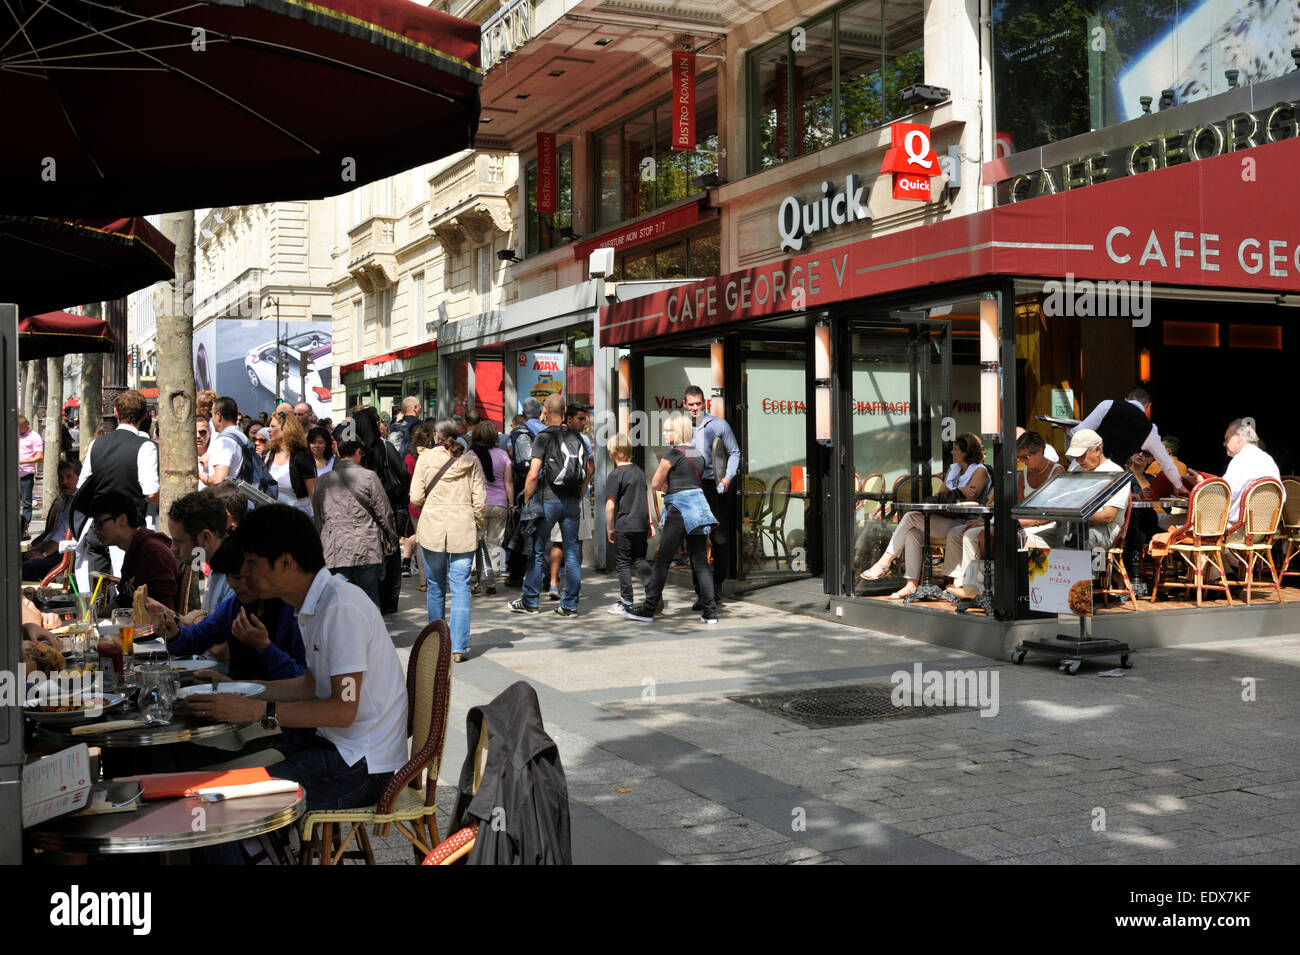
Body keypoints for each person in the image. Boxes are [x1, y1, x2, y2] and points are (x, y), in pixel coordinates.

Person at [185, 505, 408, 812]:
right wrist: (237, 689)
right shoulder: (314, 604)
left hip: (361, 765)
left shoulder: (341, 608)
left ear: (285, 563)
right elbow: (311, 685)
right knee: (209, 774)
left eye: (252, 563)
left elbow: (343, 710)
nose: (244, 574)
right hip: (336, 747)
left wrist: (254, 709)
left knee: (221, 802)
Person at [156, 537, 307, 682]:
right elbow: (201, 635)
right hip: (238, 697)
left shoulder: (292, 610)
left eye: (239, 577)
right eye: (227, 576)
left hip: (280, 704)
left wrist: (265, 647)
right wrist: (174, 634)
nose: (233, 584)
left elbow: (303, 681)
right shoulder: (236, 604)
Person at [860, 432, 991, 599]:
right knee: (912, 534)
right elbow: (942, 495)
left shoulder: (979, 471)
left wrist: (957, 492)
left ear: (966, 452)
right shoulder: (953, 469)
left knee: (910, 517)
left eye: (956, 449)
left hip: (963, 521)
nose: (952, 452)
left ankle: (885, 562)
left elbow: (970, 497)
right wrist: (958, 490)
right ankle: (911, 585)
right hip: (947, 518)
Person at [943, 429, 1062, 599]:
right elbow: (1019, 506)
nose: (1022, 461)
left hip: (1045, 523)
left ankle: (1025, 590)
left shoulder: (1057, 472)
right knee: (978, 535)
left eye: (1026, 457)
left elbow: (1054, 512)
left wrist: (1027, 522)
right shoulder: (1025, 473)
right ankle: (975, 585)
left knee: (1022, 537)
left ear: (1041, 452)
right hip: (1023, 521)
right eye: (1020, 457)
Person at [623, 412, 718, 624]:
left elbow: (656, 483)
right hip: (699, 508)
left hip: (678, 510)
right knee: (700, 562)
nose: (665, 434)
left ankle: (648, 609)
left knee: (663, 560)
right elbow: (692, 480)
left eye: (668, 430)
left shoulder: (673, 453)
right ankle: (710, 612)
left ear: (679, 431)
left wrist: (669, 487)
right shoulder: (699, 454)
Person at [410, 418, 485, 662]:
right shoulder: (470, 462)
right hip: (462, 527)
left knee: (435, 587)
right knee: (461, 587)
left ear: (436, 435)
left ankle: (435, 643)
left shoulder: (426, 458)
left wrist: (429, 505)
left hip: (433, 527)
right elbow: (479, 501)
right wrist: (476, 523)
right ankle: (459, 647)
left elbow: (415, 496)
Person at [510, 394, 588, 617]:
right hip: (572, 501)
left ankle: (530, 601)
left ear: (545, 411)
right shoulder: (577, 436)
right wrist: (579, 496)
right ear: (564, 412)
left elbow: (533, 474)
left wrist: (526, 499)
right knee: (572, 552)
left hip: (548, 499)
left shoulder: (543, 437)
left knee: (536, 549)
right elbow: (588, 469)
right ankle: (570, 604)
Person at [312, 439, 395, 610]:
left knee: (338, 597)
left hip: (335, 544)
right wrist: (391, 537)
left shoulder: (324, 480)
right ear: (358, 452)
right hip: (365, 542)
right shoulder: (369, 476)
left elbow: (318, 516)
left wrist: (320, 544)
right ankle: (371, 634)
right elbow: (384, 511)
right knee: (369, 596)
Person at [1070, 387, 1188, 497]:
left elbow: (1078, 433)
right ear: (1148, 406)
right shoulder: (1150, 429)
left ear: (1126, 400)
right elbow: (1165, 460)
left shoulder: (1107, 405)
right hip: (1110, 478)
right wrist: (1178, 485)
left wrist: (1068, 430)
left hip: (1081, 467)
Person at [683, 385, 740, 603]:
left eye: (699, 404)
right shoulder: (682, 428)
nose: (695, 408)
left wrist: (727, 478)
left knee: (720, 539)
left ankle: (717, 585)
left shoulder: (718, 425)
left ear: (705, 403)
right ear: (685, 405)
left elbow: (734, 452)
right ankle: (702, 593)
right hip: (692, 488)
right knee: (696, 541)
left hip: (715, 487)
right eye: (691, 404)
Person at [1029, 429, 1128, 552]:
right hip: (1070, 526)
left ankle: (1072, 569)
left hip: (1102, 529)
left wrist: (1071, 517)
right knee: (1032, 539)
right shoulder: (1076, 470)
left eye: (1081, 455)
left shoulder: (1115, 472)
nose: (1078, 460)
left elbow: (1107, 517)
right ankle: (1050, 570)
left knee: (1075, 539)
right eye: (1075, 457)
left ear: (1097, 450)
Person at [91, 490, 178, 611]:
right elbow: (123, 598)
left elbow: (165, 612)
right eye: (95, 525)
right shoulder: (134, 548)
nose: (96, 531)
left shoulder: (152, 553)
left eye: (99, 524)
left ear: (122, 519)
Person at [544, 404, 594, 599]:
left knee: (557, 542)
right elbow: (590, 469)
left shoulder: (553, 436)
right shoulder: (584, 440)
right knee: (575, 544)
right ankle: (572, 587)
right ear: (570, 418)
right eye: (581, 419)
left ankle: (554, 583)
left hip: (554, 496)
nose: (584, 423)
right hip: (576, 499)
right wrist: (581, 493)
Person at [604, 434, 656, 614]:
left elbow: (610, 504)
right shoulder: (639, 472)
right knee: (640, 559)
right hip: (641, 524)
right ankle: (653, 594)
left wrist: (609, 527)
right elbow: (646, 498)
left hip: (624, 525)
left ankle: (626, 602)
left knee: (624, 563)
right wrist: (650, 522)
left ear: (612, 453)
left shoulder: (616, 475)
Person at [166, 490, 236, 618]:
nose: (173, 548)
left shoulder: (235, 578)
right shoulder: (215, 564)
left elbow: (218, 634)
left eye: (179, 541)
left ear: (205, 538)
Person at [470, 420, 513, 595]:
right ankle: (491, 582)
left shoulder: (470, 455)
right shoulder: (503, 456)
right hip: (499, 504)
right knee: (495, 542)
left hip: (478, 505)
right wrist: (511, 503)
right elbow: (508, 482)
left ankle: (476, 578)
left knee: (476, 542)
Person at [1214, 418, 1281, 528]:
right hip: (1265, 533)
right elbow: (1282, 497)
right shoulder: (1269, 460)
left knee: (1181, 520)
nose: (1224, 444)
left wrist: (1204, 485)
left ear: (1239, 437)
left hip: (1237, 531)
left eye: (1226, 439)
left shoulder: (1240, 460)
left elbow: (1222, 496)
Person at [22, 459, 79, 580]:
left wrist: (43, 554)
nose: (64, 482)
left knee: (23, 568)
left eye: (69, 477)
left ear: (78, 478)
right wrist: (37, 548)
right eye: (61, 477)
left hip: (65, 553)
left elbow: (61, 536)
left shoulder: (77, 502)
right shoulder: (64, 499)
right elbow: (54, 532)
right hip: (54, 549)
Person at [262, 410, 317, 515]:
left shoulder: (302, 456)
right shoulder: (267, 454)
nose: (269, 430)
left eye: (273, 427)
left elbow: (313, 493)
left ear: (286, 429)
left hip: (298, 517)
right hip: (271, 516)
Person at [403, 424, 432, 588]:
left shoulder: (408, 458)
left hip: (415, 503)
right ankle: (435, 577)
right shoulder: (432, 457)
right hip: (433, 503)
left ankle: (423, 581)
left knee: (420, 542)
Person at [200, 396, 247, 487]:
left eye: (211, 415)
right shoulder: (241, 436)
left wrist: (203, 478)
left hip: (226, 498)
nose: (211, 419)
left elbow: (218, 480)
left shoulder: (224, 442)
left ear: (218, 416)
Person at [16, 414, 43, 537]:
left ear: (26, 425)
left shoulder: (34, 437)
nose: (18, 430)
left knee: (26, 502)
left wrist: (23, 461)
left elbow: (39, 456)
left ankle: (24, 527)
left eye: (20, 427)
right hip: (13, 474)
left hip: (26, 473)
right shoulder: (14, 434)